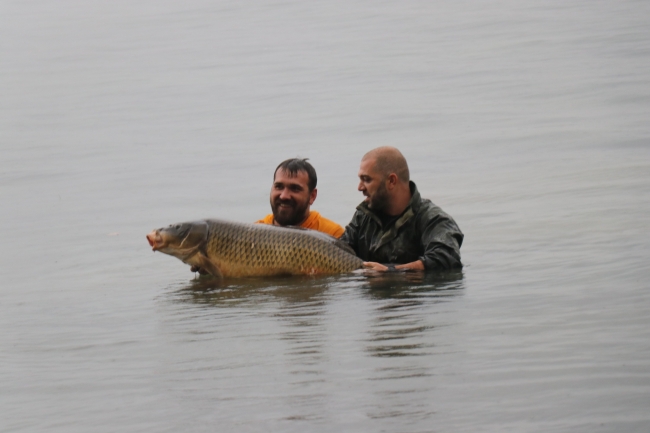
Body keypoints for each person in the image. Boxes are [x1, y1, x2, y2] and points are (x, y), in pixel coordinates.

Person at [341, 147, 463, 272]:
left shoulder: (434, 219)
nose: (360, 187)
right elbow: (341, 251)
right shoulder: (363, 216)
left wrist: (392, 272)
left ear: (392, 181)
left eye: (367, 179)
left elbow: (447, 259)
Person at [256, 158, 344, 238]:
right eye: (279, 186)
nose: (284, 196)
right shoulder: (255, 233)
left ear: (312, 196)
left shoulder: (333, 234)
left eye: (295, 188)